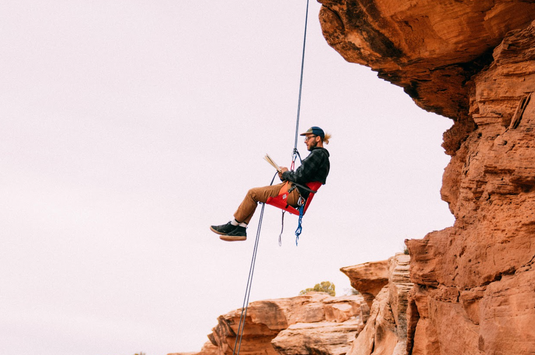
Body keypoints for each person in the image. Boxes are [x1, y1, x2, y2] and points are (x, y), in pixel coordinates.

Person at [210, 126, 331, 241]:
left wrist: (285, 173)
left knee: (252, 193)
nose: (305, 141)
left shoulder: (318, 154)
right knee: (255, 194)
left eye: (308, 138)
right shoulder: (321, 157)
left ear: (318, 138)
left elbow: (299, 177)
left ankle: (233, 225)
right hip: (294, 191)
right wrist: (285, 176)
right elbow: (304, 178)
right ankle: (240, 229)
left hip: (294, 193)